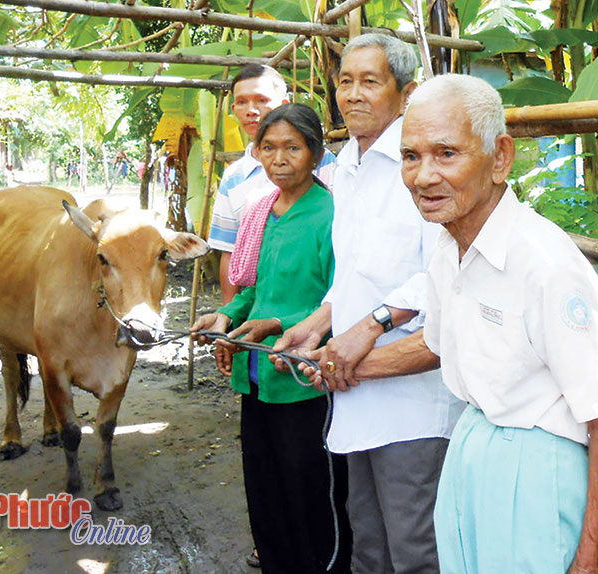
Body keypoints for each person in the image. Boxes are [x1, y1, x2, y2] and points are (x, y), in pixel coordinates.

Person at [306, 74, 598, 574]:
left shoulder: (544, 265)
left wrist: (592, 560)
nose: (423, 176)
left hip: (536, 470)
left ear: (500, 157)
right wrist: (342, 366)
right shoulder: (449, 249)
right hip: (471, 454)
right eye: (411, 156)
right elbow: (439, 345)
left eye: (446, 154)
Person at [271, 34, 464, 574]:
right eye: (345, 81)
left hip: (414, 404)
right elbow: (355, 277)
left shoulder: (423, 166)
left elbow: (446, 275)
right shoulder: (347, 169)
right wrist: (313, 328)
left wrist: (374, 325)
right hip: (356, 394)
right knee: (368, 544)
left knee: (416, 550)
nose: (351, 95)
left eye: (369, 82)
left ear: (405, 94)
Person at [191, 104, 351, 574]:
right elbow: (255, 289)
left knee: (311, 493)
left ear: (317, 154)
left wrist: (276, 324)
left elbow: (339, 300)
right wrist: (224, 315)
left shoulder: (332, 215)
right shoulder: (263, 212)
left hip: (302, 378)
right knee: (265, 488)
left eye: (293, 148)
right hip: (257, 376)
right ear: (257, 152)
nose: (279, 158)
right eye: (269, 147)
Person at [208, 65, 337, 305]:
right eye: (242, 102)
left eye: (261, 100)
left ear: (283, 103)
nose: (251, 111)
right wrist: (228, 318)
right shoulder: (235, 178)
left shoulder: (330, 172)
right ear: (233, 108)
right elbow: (230, 252)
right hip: (256, 306)